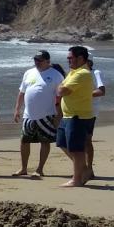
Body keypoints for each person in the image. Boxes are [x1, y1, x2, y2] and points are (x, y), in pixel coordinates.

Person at [13, 50, 64, 177]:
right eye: (35, 60)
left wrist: (59, 115)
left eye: (39, 60)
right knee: (24, 141)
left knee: (44, 142)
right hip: (28, 115)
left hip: (47, 115)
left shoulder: (56, 75)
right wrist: (17, 109)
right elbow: (22, 92)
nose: (37, 62)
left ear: (48, 61)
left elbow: (61, 97)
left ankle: (40, 169)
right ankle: (23, 168)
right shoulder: (28, 72)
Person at [55, 45, 96, 188]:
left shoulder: (82, 73)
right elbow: (62, 89)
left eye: (70, 58)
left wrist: (60, 86)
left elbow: (62, 90)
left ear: (80, 58)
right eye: (68, 58)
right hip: (68, 116)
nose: (68, 60)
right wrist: (60, 87)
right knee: (61, 142)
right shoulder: (74, 72)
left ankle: (76, 179)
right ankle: (84, 169)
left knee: (76, 149)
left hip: (78, 116)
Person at [88, 59, 107, 179]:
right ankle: (83, 168)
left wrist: (82, 95)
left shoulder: (96, 73)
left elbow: (101, 91)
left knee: (86, 140)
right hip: (76, 110)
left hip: (90, 111)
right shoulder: (75, 73)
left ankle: (89, 168)